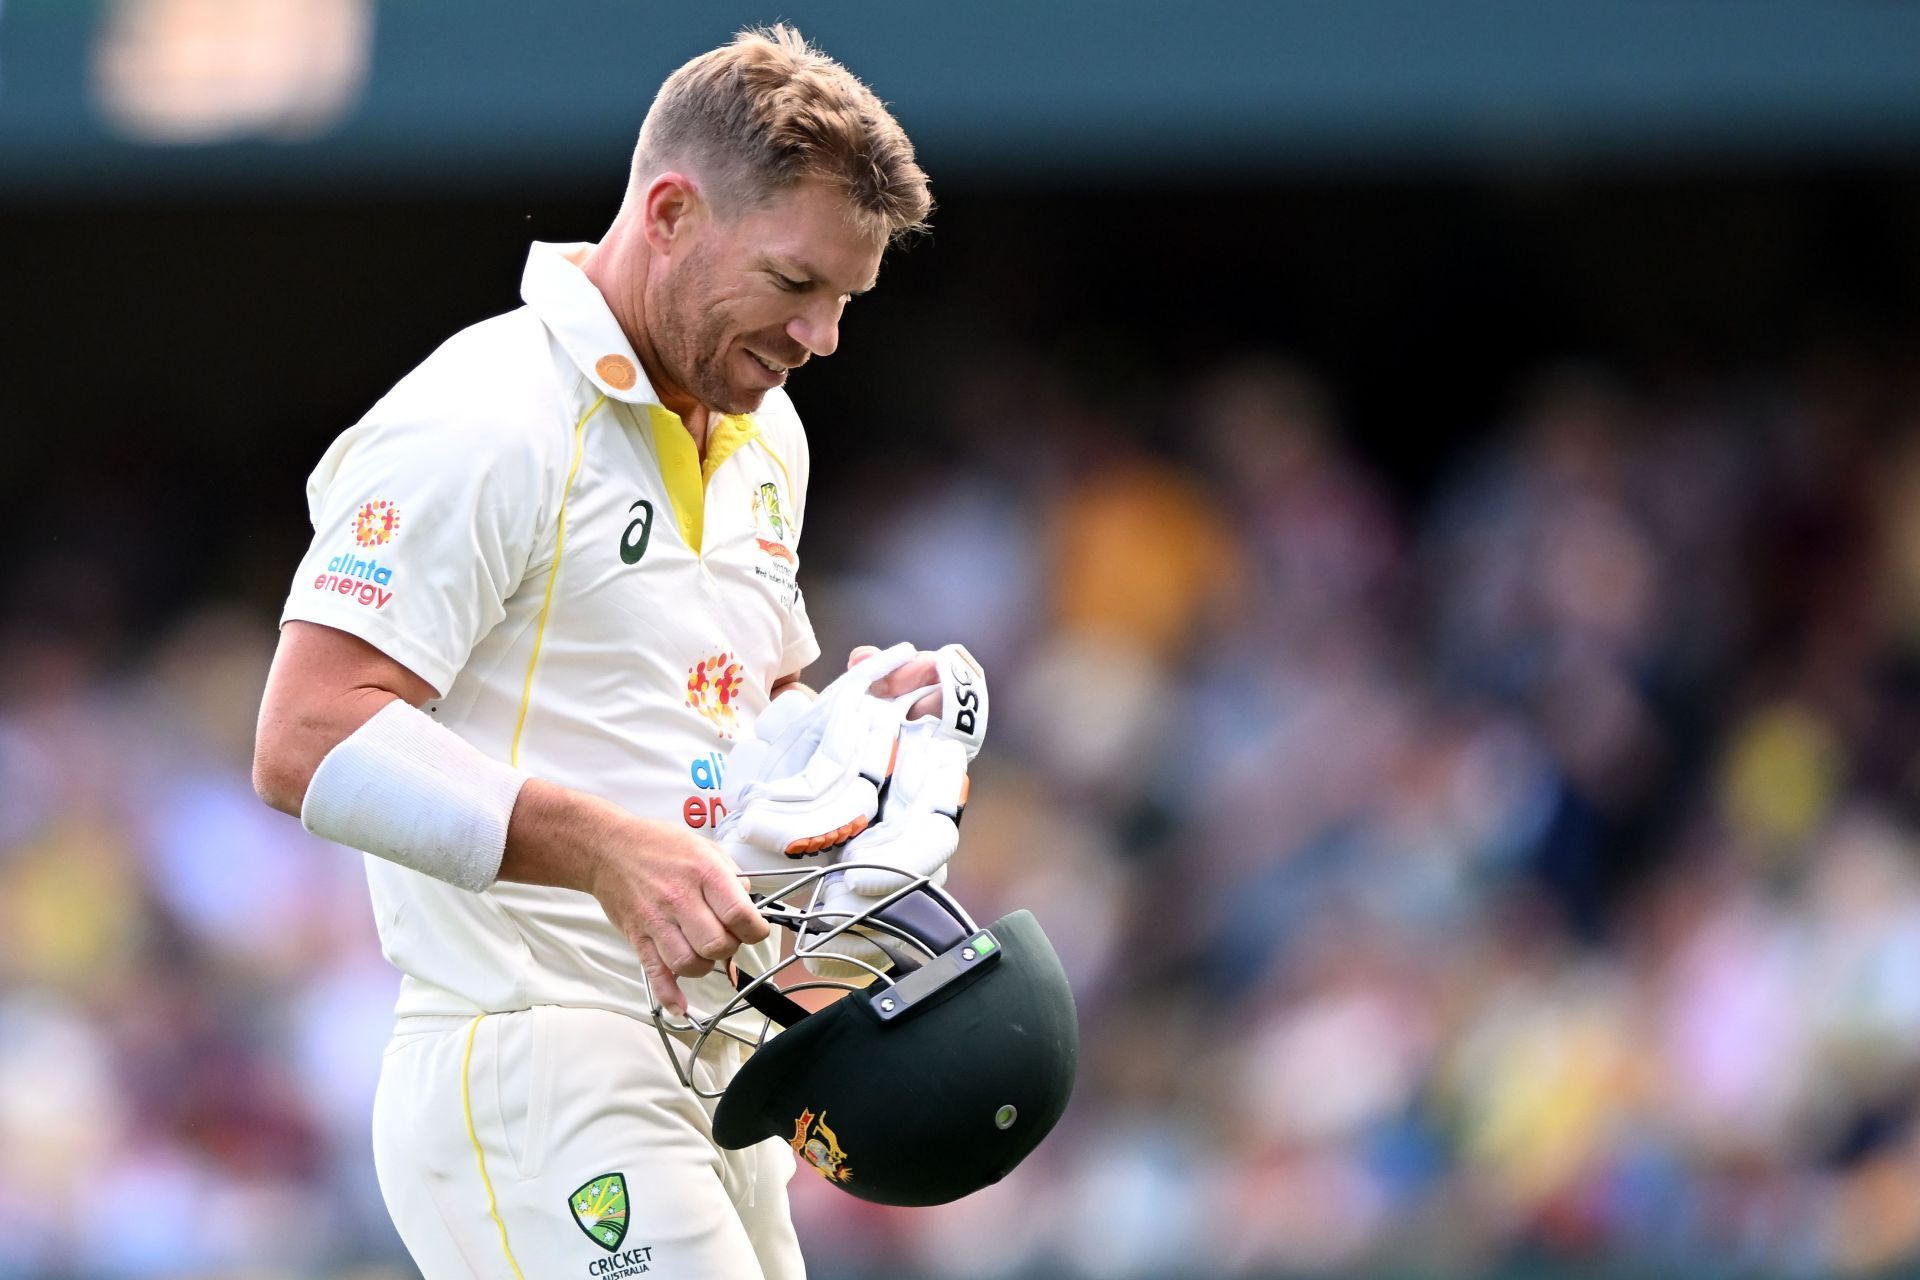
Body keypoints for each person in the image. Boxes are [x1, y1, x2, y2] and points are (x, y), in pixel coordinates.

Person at [251, 25, 941, 1277]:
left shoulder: (763, 429)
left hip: (717, 1056)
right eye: (796, 284)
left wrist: (855, 744)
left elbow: (725, 715)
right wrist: (605, 847)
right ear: (671, 211)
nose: (824, 336)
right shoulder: (487, 413)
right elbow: (305, 736)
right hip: (533, 1053)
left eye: (847, 299)